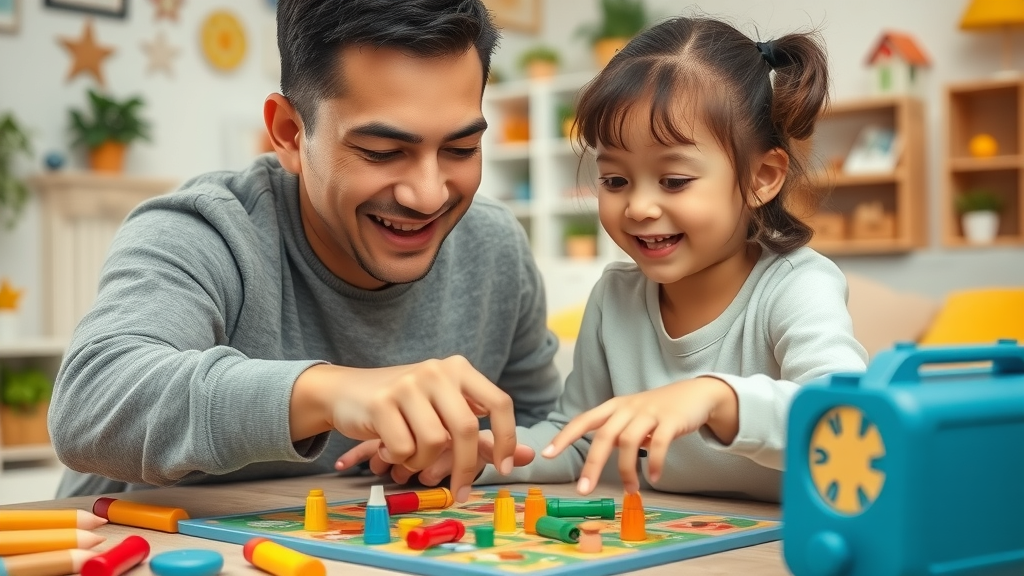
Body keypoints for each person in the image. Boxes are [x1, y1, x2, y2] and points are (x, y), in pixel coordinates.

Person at [48, 0, 561, 502]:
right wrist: (328, 392)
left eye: (460, 149)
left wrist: (483, 451)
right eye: (382, 153)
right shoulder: (204, 230)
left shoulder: (496, 247)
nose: (428, 195)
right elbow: (88, 405)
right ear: (290, 134)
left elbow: (542, 428)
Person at [469, 16, 869, 502]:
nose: (638, 207)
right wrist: (481, 454)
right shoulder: (614, 298)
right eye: (615, 181)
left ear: (763, 177)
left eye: (674, 180)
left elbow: (845, 415)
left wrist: (717, 398)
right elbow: (578, 440)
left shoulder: (797, 285)